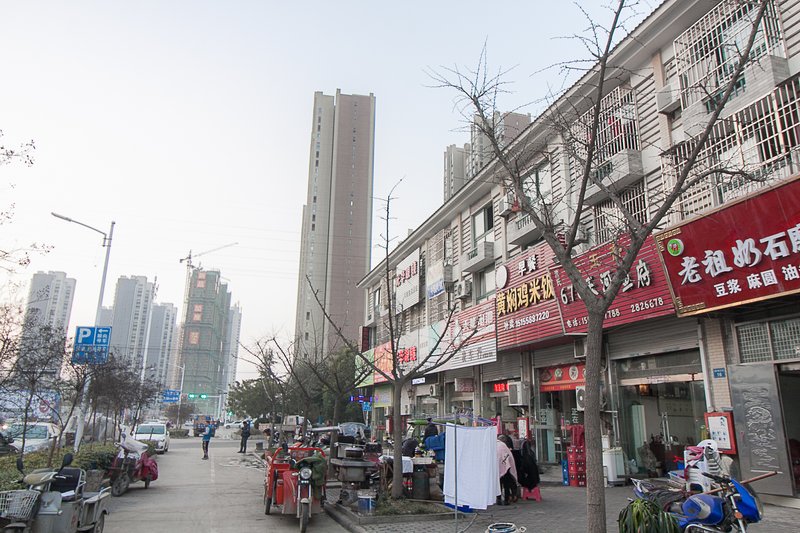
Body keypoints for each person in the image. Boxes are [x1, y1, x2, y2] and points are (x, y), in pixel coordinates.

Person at [496, 435, 518, 506]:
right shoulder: (504, 446)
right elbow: (510, 457)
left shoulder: (494, 445)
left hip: (497, 468)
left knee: (498, 485)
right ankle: (506, 500)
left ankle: (498, 500)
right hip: (506, 468)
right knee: (506, 485)